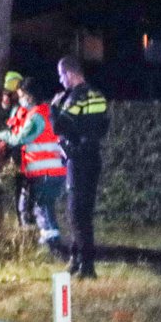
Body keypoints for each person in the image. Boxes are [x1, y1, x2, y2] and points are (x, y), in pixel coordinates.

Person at [50, 56, 109, 278]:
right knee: (84, 212)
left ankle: (86, 265)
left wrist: (54, 106)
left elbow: (58, 126)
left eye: (60, 74)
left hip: (77, 159)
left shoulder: (74, 98)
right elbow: (102, 127)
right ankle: (77, 260)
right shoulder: (97, 95)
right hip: (93, 158)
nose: (59, 79)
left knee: (76, 214)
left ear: (70, 74)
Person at [0, 81, 66, 248]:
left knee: (42, 208)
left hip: (45, 171)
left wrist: (1, 134)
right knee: (44, 207)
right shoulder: (47, 112)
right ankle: (51, 240)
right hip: (53, 171)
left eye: (21, 95)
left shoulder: (36, 117)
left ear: (29, 96)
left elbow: (20, 138)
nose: (20, 99)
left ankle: (53, 244)